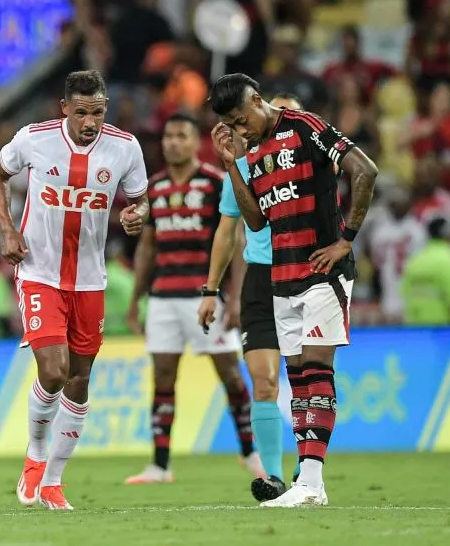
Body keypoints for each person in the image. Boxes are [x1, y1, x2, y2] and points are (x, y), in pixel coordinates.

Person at [209, 73, 378, 507]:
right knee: (299, 376)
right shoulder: (255, 152)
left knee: (318, 369)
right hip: (281, 277)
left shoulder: (305, 126)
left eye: (240, 119)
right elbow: (256, 223)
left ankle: (310, 481)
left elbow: (364, 169)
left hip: (324, 270)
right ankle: (310, 485)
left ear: (257, 100)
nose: (240, 129)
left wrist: (347, 238)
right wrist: (232, 163)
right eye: (231, 124)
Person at [0, 70, 149, 510]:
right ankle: (36, 454)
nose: (89, 122)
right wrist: (7, 229)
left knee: (80, 379)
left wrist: (137, 215)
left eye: (97, 112)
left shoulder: (126, 148)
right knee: (55, 370)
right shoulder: (34, 138)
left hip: (89, 280)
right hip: (39, 271)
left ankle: (55, 480)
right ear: (65, 109)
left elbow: (140, 200)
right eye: (80, 113)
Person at [123, 112, 261, 486]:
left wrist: (234, 300)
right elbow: (147, 249)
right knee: (163, 378)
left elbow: (234, 241)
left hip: (206, 297)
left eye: (181, 135)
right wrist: (136, 298)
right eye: (168, 136)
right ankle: (160, 465)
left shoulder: (216, 182)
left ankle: (251, 452)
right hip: (164, 297)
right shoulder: (154, 187)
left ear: (194, 141)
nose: (172, 142)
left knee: (231, 375)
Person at [197, 93, 304, 502]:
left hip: (303, 274)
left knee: (304, 382)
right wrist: (211, 290)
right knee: (264, 381)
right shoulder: (241, 169)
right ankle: (273, 477)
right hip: (260, 278)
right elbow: (227, 232)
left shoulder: (312, 164)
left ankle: (308, 469)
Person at [401, 218, 450, 325]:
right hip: (442, 331)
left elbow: (404, 292)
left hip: (414, 328)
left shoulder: (414, 260)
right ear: (449, 235)